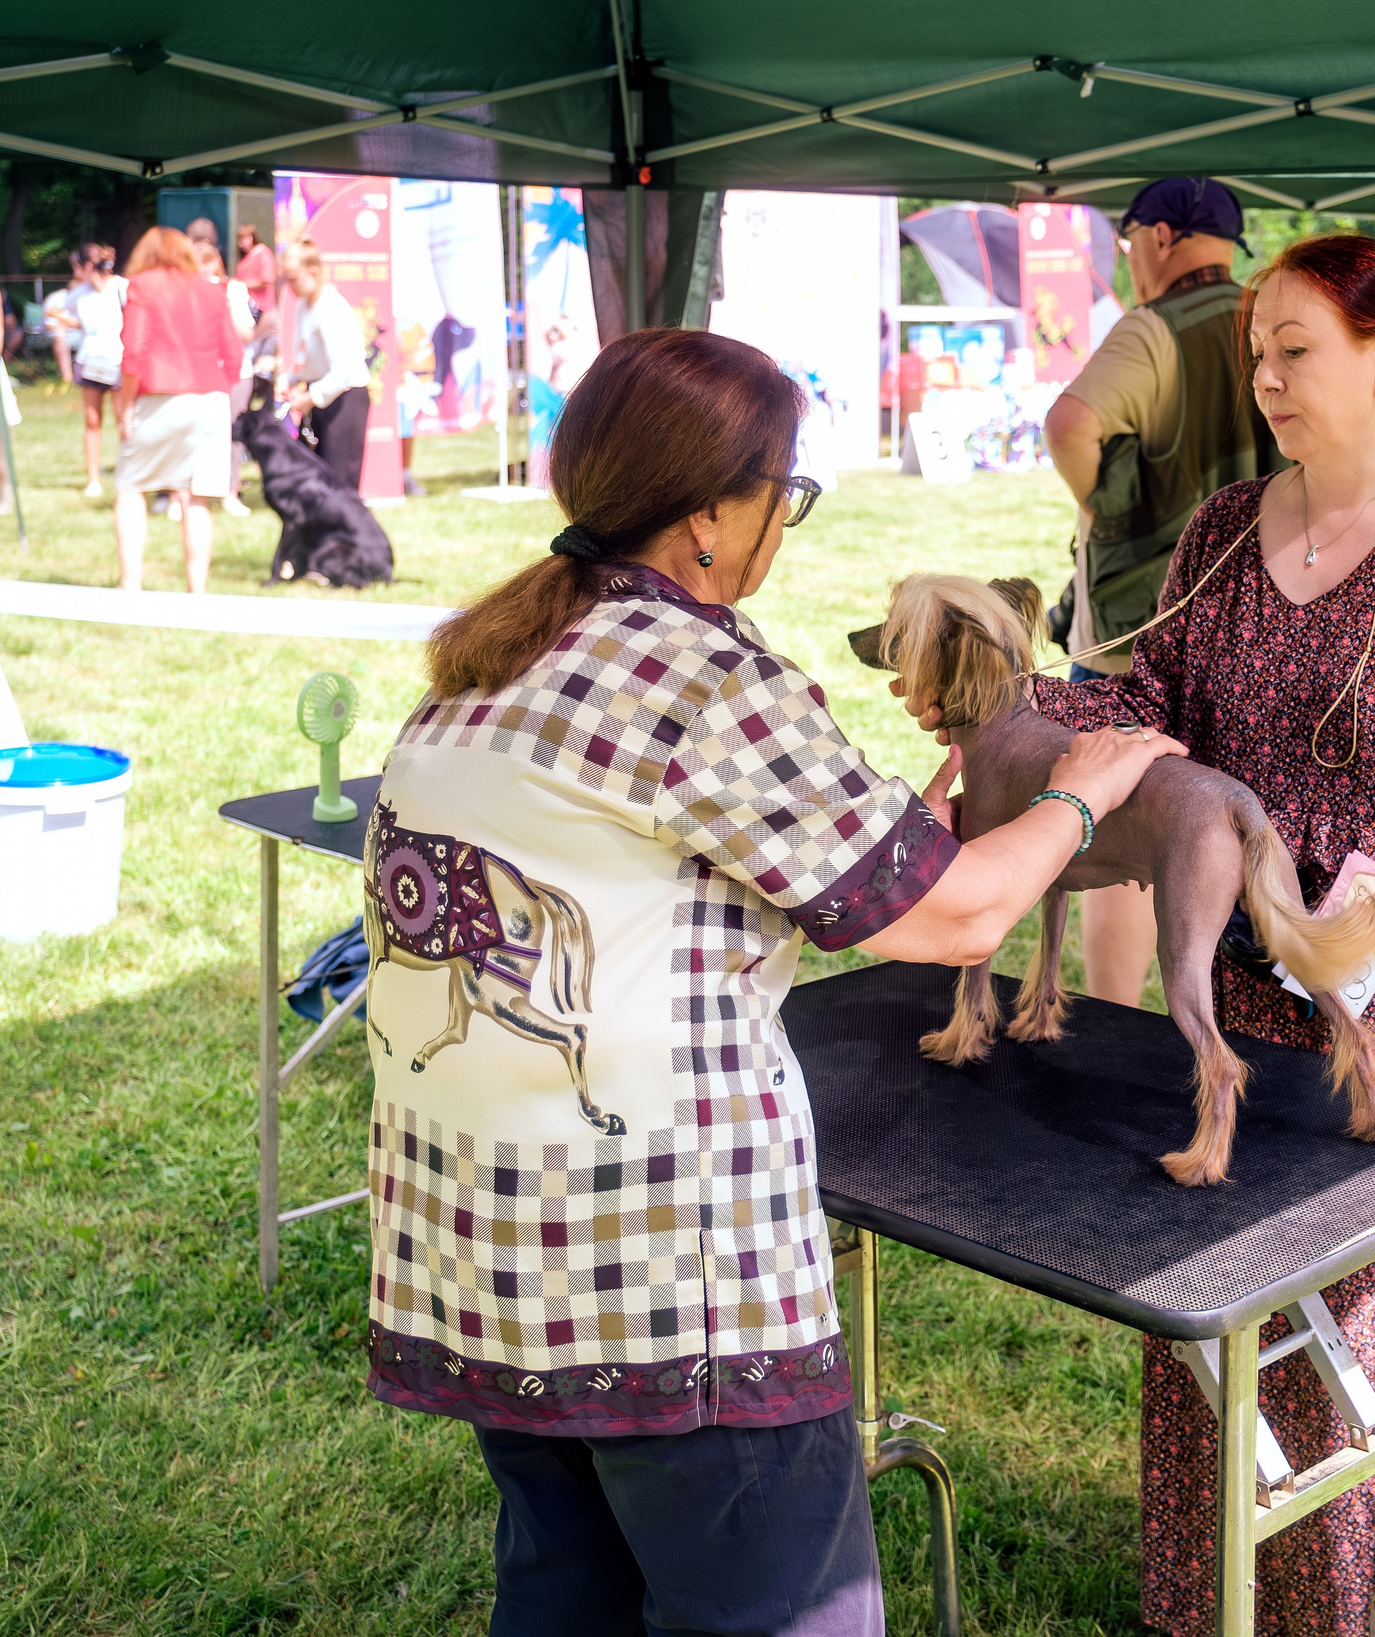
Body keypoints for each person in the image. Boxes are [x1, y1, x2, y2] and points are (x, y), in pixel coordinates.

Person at [896, 233, 1375, 1636]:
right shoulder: (1222, 533)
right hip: (1244, 970)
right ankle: (1232, 1601)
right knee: (1231, 1286)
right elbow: (1152, 716)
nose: (1263, 378)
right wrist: (1004, 721)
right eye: (1254, 353)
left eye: (1294, 349)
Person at [368, 326, 1179, 1637]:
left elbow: (826, 864)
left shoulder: (483, 665)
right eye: (782, 495)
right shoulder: (702, 673)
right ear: (707, 519)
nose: (782, 526)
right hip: (661, 1283)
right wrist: (1080, 799)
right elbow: (958, 912)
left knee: (570, 1591)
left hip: (476, 1254)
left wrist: (941, 801)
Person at [1041, 176, 1285, 1008]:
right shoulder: (1275, 329)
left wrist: (1112, 509)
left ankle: (1115, 1020)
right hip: (1262, 635)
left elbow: (1071, 423)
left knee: (1117, 841)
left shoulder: (1152, 331)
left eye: (1126, 241)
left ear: (1159, 236)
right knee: (1240, 831)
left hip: (1139, 640)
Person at [113, 226, 239, 592]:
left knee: (131, 487)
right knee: (196, 495)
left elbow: (133, 353)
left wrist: (126, 405)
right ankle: (196, 591)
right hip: (212, 397)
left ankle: (130, 586)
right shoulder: (212, 289)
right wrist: (219, 393)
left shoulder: (142, 285)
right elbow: (233, 354)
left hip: (159, 395)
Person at [279, 236, 371, 491]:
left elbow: (345, 371)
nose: (290, 287)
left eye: (294, 279)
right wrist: (289, 380)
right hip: (321, 395)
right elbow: (305, 355)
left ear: (314, 272)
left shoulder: (331, 308)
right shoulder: (304, 306)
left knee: (339, 486)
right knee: (318, 486)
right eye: (286, 279)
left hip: (345, 400)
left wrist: (310, 397)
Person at [192, 226, 259, 515]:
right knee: (195, 433)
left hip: (236, 373)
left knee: (232, 434)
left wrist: (222, 306)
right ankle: (190, 493)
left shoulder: (233, 289)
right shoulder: (186, 292)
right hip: (199, 372)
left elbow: (246, 334)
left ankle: (231, 491)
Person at [68, 242, 128, 497]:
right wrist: (76, 323)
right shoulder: (79, 293)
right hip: (90, 360)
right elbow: (53, 312)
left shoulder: (120, 286)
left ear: (87, 266)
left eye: (76, 267)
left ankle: (128, 475)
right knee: (92, 420)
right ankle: (93, 479)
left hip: (118, 360)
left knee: (123, 420)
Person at [234, 222, 275, 317]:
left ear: (253, 237)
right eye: (240, 239)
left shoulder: (263, 253)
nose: (243, 242)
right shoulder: (244, 259)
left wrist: (242, 285)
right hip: (246, 305)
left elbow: (267, 280)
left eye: (246, 238)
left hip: (260, 308)